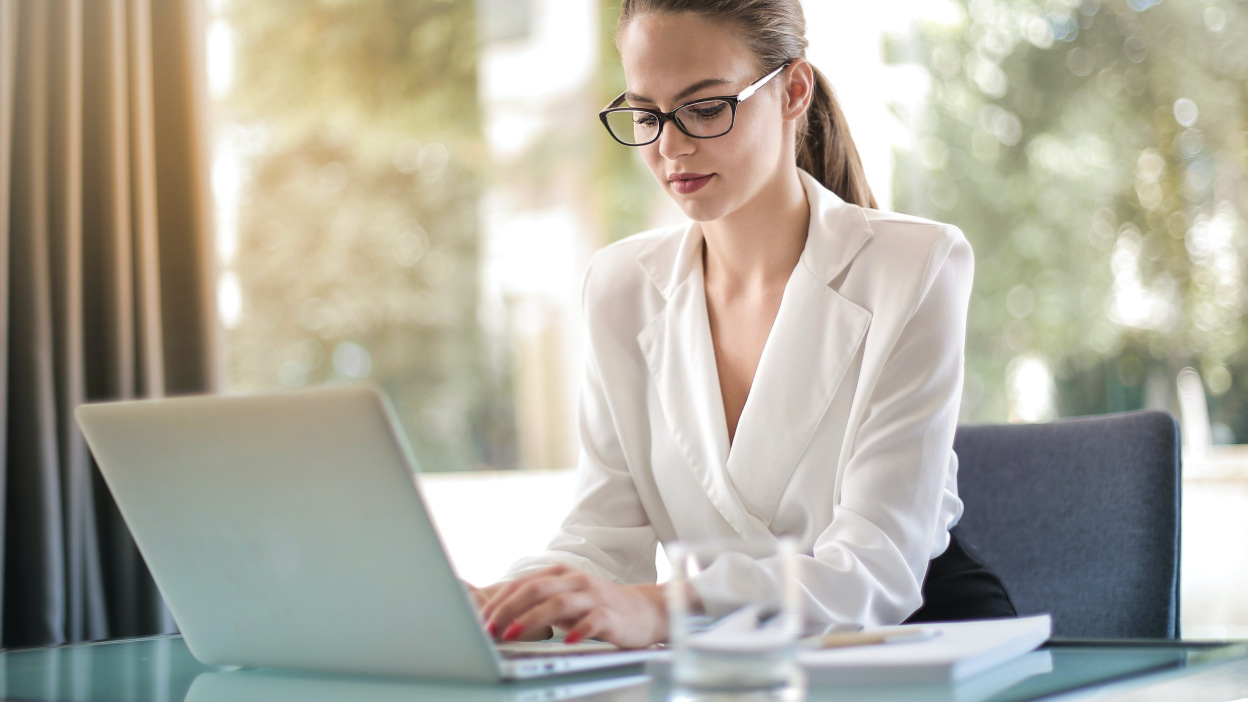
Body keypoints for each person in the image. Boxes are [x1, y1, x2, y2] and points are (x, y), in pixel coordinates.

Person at [475, 0, 1015, 649]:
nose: (671, 146)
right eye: (646, 114)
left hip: (913, 641)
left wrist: (663, 609)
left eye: (705, 108)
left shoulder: (916, 266)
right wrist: (504, 601)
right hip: (727, 656)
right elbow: (601, 539)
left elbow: (875, 569)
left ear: (792, 90)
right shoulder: (620, 287)